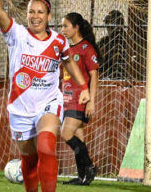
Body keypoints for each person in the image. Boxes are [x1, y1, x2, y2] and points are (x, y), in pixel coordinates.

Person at [0, 0, 90, 192]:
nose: (35, 16)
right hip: (20, 108)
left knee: (46, 146)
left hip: (48, 103)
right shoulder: (17, 34)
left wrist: (84, 87)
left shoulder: (59, 41)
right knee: (29, 161)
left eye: (40, 12)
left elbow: (69, 62)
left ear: (49, 16)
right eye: (32, 12)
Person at [60, 12, 101, 186]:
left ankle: (90, 167)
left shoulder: (87, 49)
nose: (63, 30)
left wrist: (91, 100)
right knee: (79, 138)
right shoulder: (67, 50)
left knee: (65, 133)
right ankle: (82, 176)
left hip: (81, 100)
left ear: (76, 28)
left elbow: (94, 76)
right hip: (67, 99)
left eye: (66, 26)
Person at [97, 10, 127, 79]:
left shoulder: (127, 40)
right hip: (106, 73)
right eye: (107, 23)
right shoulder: (105, 41)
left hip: (123, 74)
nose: (108, 27)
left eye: (109, 23)